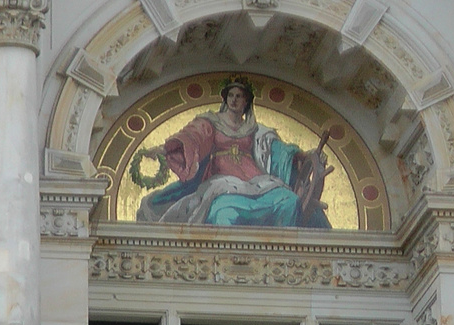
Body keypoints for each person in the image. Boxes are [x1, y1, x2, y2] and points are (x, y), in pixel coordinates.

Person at [136, 78, 331, 228]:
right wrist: (165, 149)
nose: (234, 100)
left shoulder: (256, 130)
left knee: (288, 201)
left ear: (246, 101)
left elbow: (277, 150)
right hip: (223, 181)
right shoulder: (211, 122)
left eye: (239, 96)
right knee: (224, 212)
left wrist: (305, 157)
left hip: (256, 180)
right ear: (226, 99)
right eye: (231, 96)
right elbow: (191, 137)